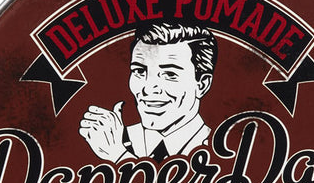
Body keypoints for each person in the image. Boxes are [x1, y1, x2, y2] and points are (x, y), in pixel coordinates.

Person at [79, 22, 217, 163]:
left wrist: (118, 156)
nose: (148, 88)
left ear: (202, 84)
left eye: (170, 74)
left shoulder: (221, 150)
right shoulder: (106, 139)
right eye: (139, 71)